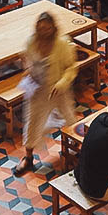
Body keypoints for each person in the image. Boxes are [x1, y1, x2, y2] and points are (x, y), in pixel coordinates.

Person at [17, 11, 78, 176]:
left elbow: (71, 67)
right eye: (41, 28)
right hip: (38, 89)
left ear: (53, 28)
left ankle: (79, 150)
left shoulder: (62, 44)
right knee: (33, 122)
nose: (44, 31)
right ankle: (28, 158)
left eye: (47, 28)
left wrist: (62, 83)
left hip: (58, 89)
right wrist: (28, 70)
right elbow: (27, 60)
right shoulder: (32, 42)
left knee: (70, 118)